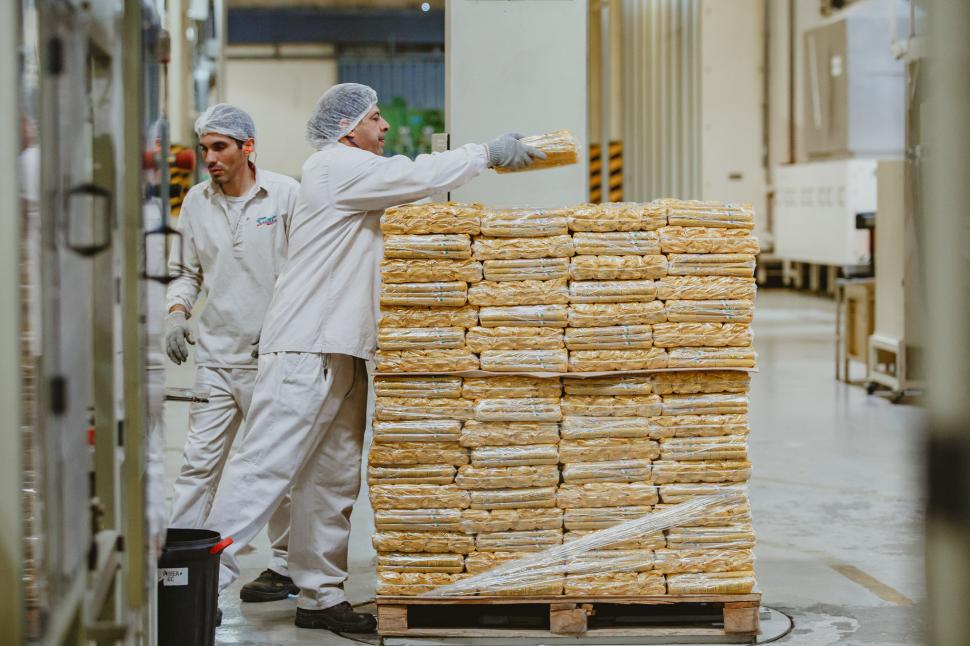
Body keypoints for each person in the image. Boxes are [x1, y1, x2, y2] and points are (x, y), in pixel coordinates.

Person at [203, 83, 545, 633]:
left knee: (332, 479)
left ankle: (319, 595)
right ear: (347, 129)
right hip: (307, 348)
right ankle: (199, 587)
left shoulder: (351, 173)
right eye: (375, 118)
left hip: (341, 350)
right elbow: (417, 174)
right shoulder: (335, 166)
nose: (384, 128)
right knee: (263, 471)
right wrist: (486, 153)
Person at [164, 103, 301, 602]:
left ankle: (284, 566)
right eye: (204, 149)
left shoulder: (286, 195)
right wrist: (178, 313)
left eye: (219, 147)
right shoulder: (197, 202)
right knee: (198, 466)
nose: (209, 159)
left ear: (247, 146)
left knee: (275, 470)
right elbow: (186, 271)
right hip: (218, 360)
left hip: (275, 358)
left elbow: (302, 274)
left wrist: (289, 332)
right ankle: (178, 568)